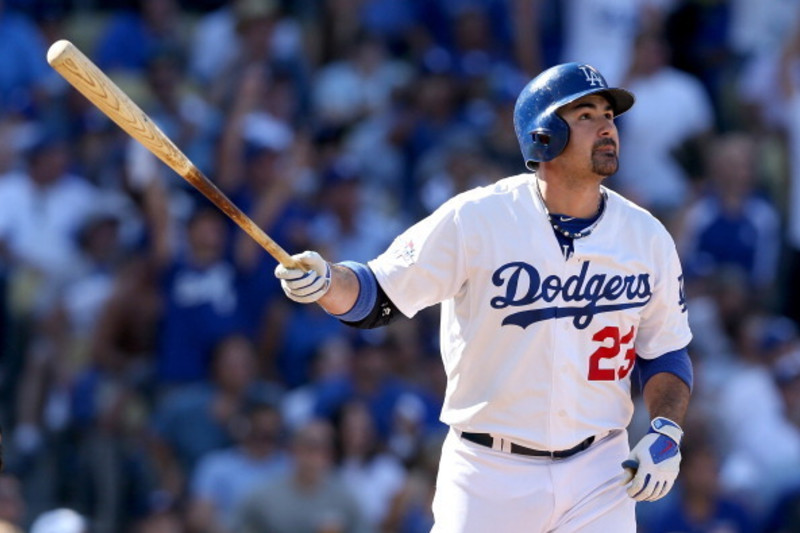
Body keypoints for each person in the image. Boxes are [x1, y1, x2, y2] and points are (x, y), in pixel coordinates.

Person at [274, 62, 693, 532]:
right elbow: (377, 294)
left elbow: (665, 350)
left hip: (599, 469)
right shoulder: (476, 218)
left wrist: (666, 430)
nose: (607, 127)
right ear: (544, 136)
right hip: (490, 471)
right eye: (586, 115)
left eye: (609, 115)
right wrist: (327, 281)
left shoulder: (647, 237)